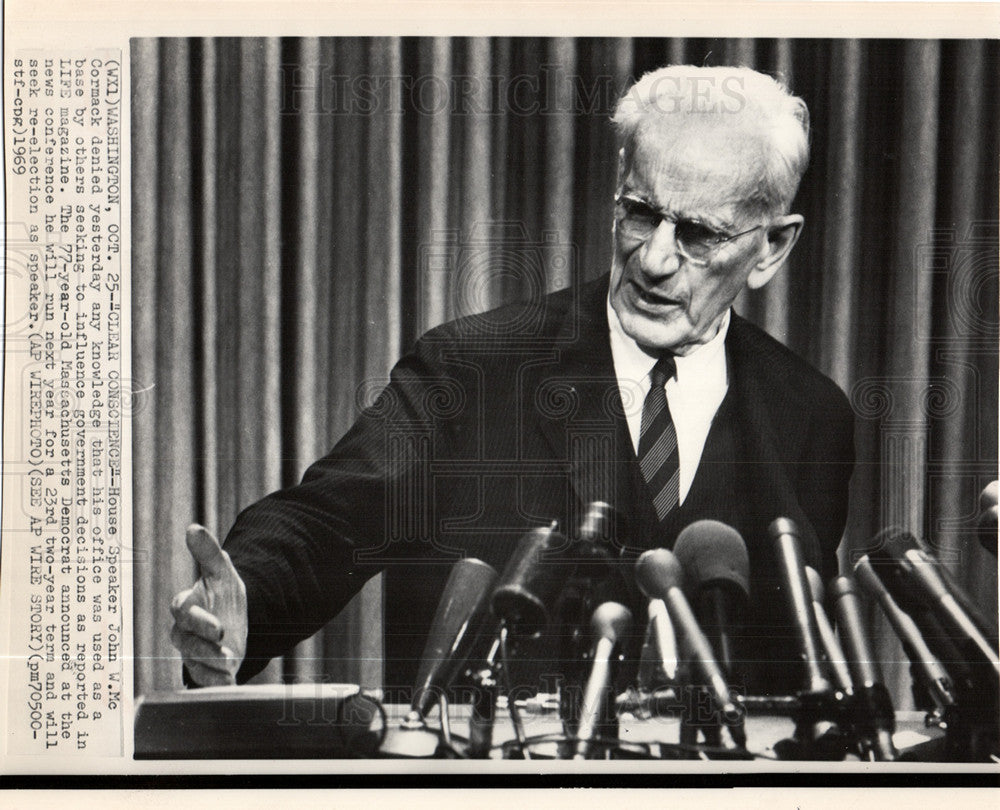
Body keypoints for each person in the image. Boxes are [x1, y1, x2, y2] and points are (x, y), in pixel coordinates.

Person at [170, 64, 855, 697]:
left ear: (772, 246)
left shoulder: (813, 414)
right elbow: (327, 521)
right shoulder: (472, 367)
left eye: (699, 234)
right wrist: (243, 602)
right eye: (641, 212)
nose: (653, 258)